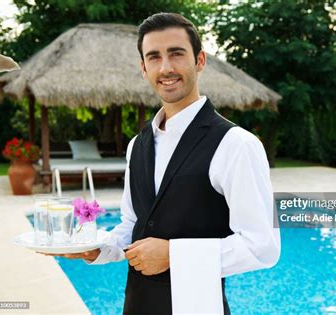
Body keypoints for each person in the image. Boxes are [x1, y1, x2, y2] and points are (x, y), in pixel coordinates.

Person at [54, 12, 281, 314]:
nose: (166, 68)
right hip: (136, 305)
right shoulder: (137, 146)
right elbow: (134, 223)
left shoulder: (237, 145)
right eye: (154, 57)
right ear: (143, 68)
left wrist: (174, 253)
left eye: (176, 54)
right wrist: (100, 248)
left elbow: (263, 246)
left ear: (200, 60)